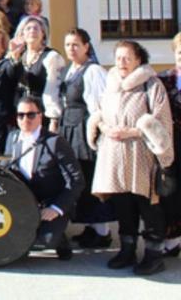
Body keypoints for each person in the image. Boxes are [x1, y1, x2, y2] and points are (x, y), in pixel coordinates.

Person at [87, 40, 174, 275]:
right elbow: (101, 113)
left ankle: (154, 254)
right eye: (118, 58)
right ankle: (127, 249)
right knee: (123, 204)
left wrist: (133, 132)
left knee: (148, 206)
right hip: (115, 155)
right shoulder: (111, 84)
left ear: (139, 60)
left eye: (127, 58)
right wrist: (104, 128)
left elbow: (161, 122)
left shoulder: (152, 85)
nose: (121, 62)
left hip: (142, 155)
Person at [4, 96, 84, 260]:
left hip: (50, 203)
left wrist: (56, 208)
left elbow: (76, 180)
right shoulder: (12, 138)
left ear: (41, 116)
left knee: (43, 242)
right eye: (21, 115)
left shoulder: (55, 142)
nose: (25, 119)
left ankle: (59, 237)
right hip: (24, 203)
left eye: (31, 115)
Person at [57, 28, 111, 248]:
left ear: (86, 46)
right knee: (80, 178)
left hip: (85, 132)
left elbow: (100, 106)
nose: (71, 48)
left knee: (91, 177)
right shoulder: (71, 70)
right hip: (70, 130)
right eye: (68, 44)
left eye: (76, 44)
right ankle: (90, 227)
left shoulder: (93, 71)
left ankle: (102, 231)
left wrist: (96, 135)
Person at [14, 15, 65, 132]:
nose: (32, 31)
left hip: (42, 113)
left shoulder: (51, 57)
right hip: (23, 114)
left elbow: (54, 89)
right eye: (28, 28)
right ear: (22, 35)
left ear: (43, 34)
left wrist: (54, 119)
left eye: (36, 28)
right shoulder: (19, 57)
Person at [156, 32, 181, 257]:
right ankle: (172, 238)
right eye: (180, 52)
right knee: (171, 191)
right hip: (171, 144)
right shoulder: (163, 79)